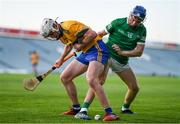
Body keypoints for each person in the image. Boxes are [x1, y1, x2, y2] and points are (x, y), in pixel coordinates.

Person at [40, 18, 119, 121]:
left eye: (51, 33)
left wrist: (80, 45)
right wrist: (61, 59)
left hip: (97, 49)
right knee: (65, 77)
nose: (51, 36)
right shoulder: (60, 34)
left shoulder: (70, 26)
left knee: (91, 79)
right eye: (49, 35)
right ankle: (76, 108)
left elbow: (92, 34)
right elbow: (69, 45)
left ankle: (110, 113)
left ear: (55, 26)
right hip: (86, 52)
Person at [75, 5, 147, 118]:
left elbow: (139, 52)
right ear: (130, 15)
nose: (134, 22)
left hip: (122, 60)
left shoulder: (142, 30)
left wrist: (122, 53)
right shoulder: (118, 22)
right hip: (106, 55)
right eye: (134, 18)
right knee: (99, 81)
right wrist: (84, 45)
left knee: (134, 88)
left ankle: (125, 107)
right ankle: (83, 110)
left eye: (138, 21)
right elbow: (100, 34)